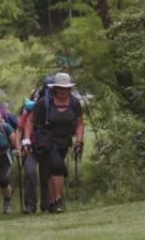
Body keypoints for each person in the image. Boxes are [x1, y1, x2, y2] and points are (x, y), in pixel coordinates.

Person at [23, 72, 84, 213]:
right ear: (55, 88)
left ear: (70, 89)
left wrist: (79, 141)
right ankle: (57, 201)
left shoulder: (74, 103)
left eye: (66, 88)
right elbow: (30, 120)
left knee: (54, 171)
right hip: (47, 140)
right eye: (60, 88)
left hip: (65, 141)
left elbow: (80, 123)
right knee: (57, 166)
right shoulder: (44, 103)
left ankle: (51, 201)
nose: (63, 91)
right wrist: (26, 140)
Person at [17, 90, 49, 214]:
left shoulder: (50, 111)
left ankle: (46, 204)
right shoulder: (26, 112)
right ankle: (30, 205)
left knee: (46, 175)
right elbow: (19, 129)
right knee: (30, 173)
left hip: (45, 146)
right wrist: (19, 145)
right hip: (29, 147)